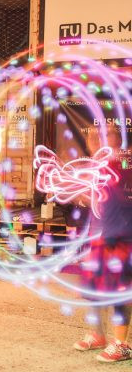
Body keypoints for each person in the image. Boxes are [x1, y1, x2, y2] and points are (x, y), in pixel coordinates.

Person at [73, 128, 132, 362]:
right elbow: (99, 197)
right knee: (93, 290)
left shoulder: (122, 166)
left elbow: (118, 194)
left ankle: (122, 344)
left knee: (116, 292)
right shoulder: (98, 168)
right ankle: (98, 335)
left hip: (120, 238)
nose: (96, 138)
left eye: (104, 136)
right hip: (98, 236)